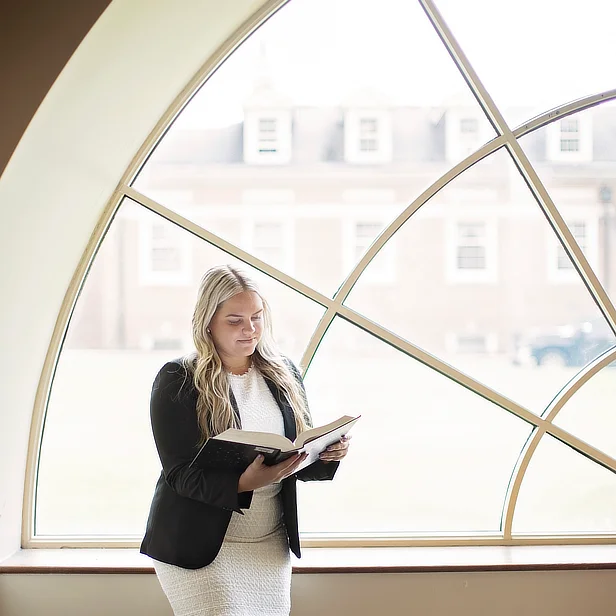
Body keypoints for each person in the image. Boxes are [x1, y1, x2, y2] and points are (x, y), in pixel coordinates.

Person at [140, 264, 351, 616]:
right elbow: (179, 474)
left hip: (267, 545)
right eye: (234, 320)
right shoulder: (178, 378)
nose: (250, 330)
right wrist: (243, 483)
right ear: (208, 322)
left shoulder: (284, 373)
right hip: (198, 548)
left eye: (257, 317)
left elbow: (294, 460)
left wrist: (327, 454)